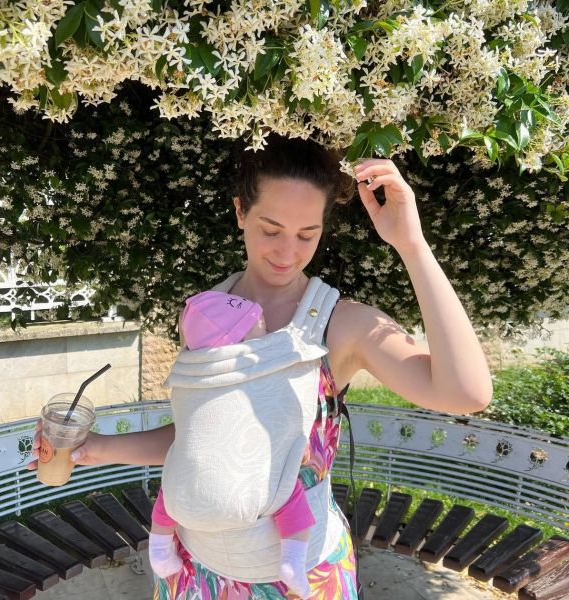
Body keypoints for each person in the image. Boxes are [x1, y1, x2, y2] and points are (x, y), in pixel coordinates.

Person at [27, 133, 493, 599]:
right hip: (196, 572)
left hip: (300, 578)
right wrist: (97, 448)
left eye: (307, 235)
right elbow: (201, 440)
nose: (287, 253)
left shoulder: (340, 324)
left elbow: (466, 393)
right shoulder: (208, 314)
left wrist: (411, 244)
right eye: (271, 229)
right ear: (240, 212)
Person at [150, 290, 317, 598]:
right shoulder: (255, 371)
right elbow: (280, 414)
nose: (266, 324)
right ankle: (293, 560)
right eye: (257, 323)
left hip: (190, 484)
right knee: (289, 493)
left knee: (173, 486)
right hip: (249, 483)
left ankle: (159, 548)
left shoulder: (188, 375)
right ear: (234, 343)